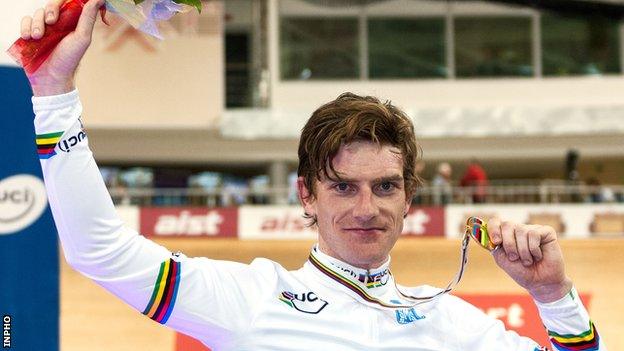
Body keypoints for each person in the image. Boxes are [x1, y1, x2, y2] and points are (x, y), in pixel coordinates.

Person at [20, 1, 604, 349]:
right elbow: (96, 250)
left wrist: (553, 296)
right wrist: (53, 95)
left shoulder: (448, 322)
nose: (366, 208)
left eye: (385, 187)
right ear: (307, 194)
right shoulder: (249, 299)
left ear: (409, 200)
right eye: (343, 186)